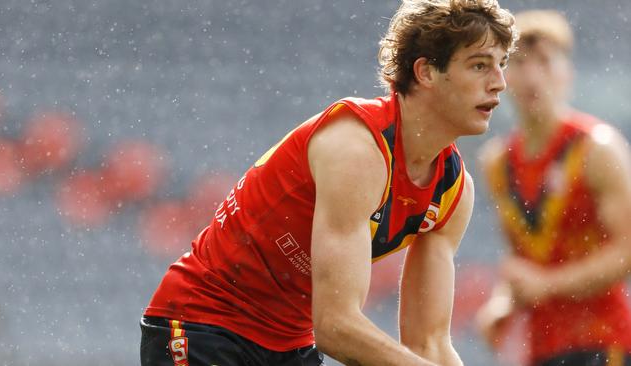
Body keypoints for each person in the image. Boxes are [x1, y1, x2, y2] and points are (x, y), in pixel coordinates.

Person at [141, 0, 516, 365]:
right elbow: (336, 327)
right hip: (202, 323)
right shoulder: (357, 148)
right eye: (479, 65)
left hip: (290, 347)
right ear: (426, 72)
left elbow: (429, 343)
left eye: (501, 65)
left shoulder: (453, 192)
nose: (499, 83)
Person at [476, 9, 631, 366]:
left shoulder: (597, 149)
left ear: (566, 73)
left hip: (603, 342)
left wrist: (548, 285)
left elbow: (625, 252)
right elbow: (525, 260)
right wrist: (501, 304)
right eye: (519, 62)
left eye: (545, 62)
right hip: (541, 349)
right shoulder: (497, 163)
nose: (532, 77)